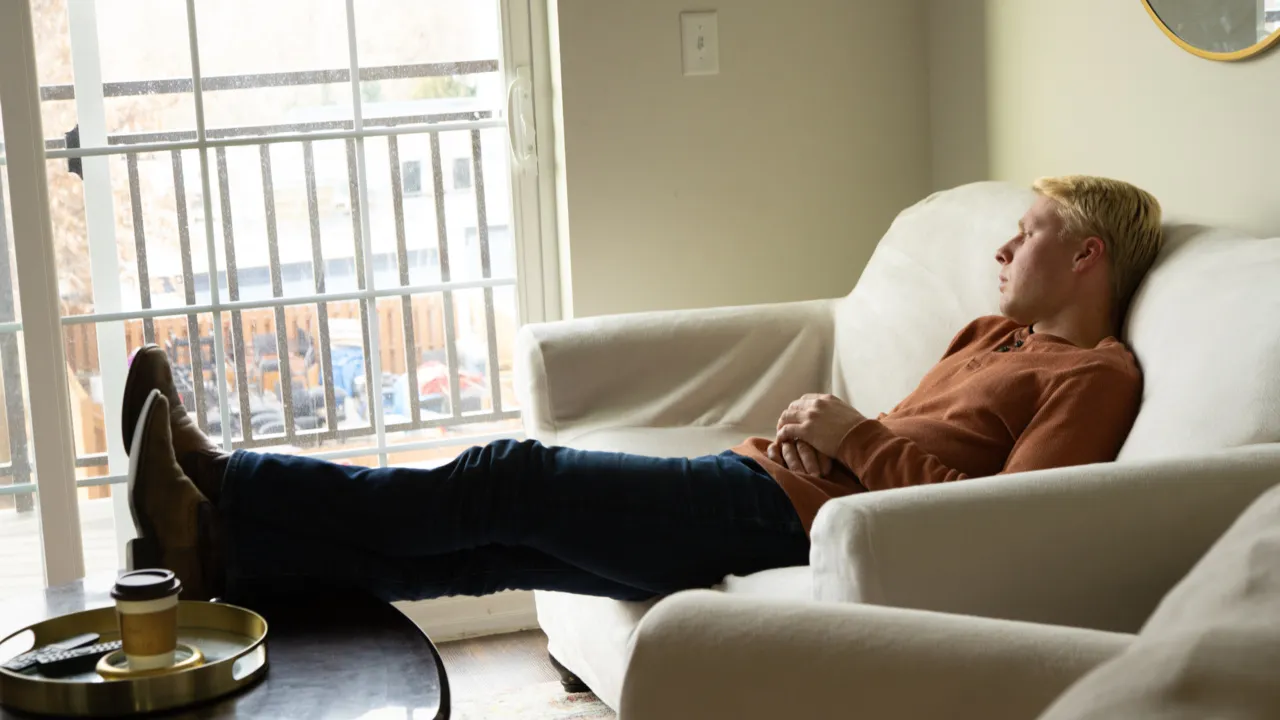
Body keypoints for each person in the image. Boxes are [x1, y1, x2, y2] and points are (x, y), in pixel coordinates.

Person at [124, 175, 1163, 602]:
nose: (999, 246)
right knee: (499, 547)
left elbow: (1004, 525)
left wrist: (848, 435)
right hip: (767, 481)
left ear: (1083, 256)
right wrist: (833, 436)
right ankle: (218, 558)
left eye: (1022, 234)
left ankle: (234, 483)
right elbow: (911, 445)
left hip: (788, 521)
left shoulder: (1094, 375)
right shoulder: (995, 330)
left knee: (507, 475)